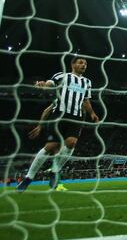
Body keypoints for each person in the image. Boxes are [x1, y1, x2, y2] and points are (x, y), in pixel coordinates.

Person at [18, 56, 99, 192]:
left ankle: (54, 171)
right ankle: (28, 178)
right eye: (80, 62)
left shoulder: (87, 82)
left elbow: (85, 100)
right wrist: (44, 84)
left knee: (72, 142)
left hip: (76, 116)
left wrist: (92, 113)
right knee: (51, 146)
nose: (84, 65)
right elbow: (51, 83)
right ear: (73, 64)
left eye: (85, 63)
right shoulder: (62, 76)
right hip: (60, 114)